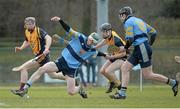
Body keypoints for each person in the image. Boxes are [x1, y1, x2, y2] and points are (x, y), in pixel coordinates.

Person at [15, 16, 109, 98]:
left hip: (71, 69)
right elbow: (69, 29)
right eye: (90, 40)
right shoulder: (79, 37)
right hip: (62, 61)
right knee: (42, 69)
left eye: (93, 42)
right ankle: (25, 89)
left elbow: (98, 53)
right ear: (88, 37)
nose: (91, 42)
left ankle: (80, 87)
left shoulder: (92, 50)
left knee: (71, 92)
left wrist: (105, 55)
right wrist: (60, 20)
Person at [110, 6, 179, 99]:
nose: (120, 17)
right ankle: (122, 93)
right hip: (141, 48)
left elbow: (130, 39)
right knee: (125, 68)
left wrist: (125, 48)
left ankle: (172, 82)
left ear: (125, 15)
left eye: (121, 15)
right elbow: (153, 32)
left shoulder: (128, 22)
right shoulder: (139, 21)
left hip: (142, 48)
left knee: (148, 74)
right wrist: (149, 44)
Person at [11, 17, 65, 97]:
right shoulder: (27, 31)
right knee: (53, 75)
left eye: (30, 24)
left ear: (34, 24)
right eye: (27, 24)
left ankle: (22, 91)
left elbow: (48, 38)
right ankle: (71, 78)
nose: (28, 26)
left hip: (43, 56)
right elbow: (27, 41)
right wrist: (21, 48)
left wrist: (46, 49)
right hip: (38, 56)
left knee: (24, 68)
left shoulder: (38, 30)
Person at [95, 23, 127, 93]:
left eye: (103, 32)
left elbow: (123, 53)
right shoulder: (109, 35)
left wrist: (111, 56)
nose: (102, 34)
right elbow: (105, 41)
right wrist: (95, 47)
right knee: (102, 71)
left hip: (123, 57)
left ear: (108, 31)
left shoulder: (116, 40)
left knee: (108, 71)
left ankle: (120, 89)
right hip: (114, 55)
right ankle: (112, 82)